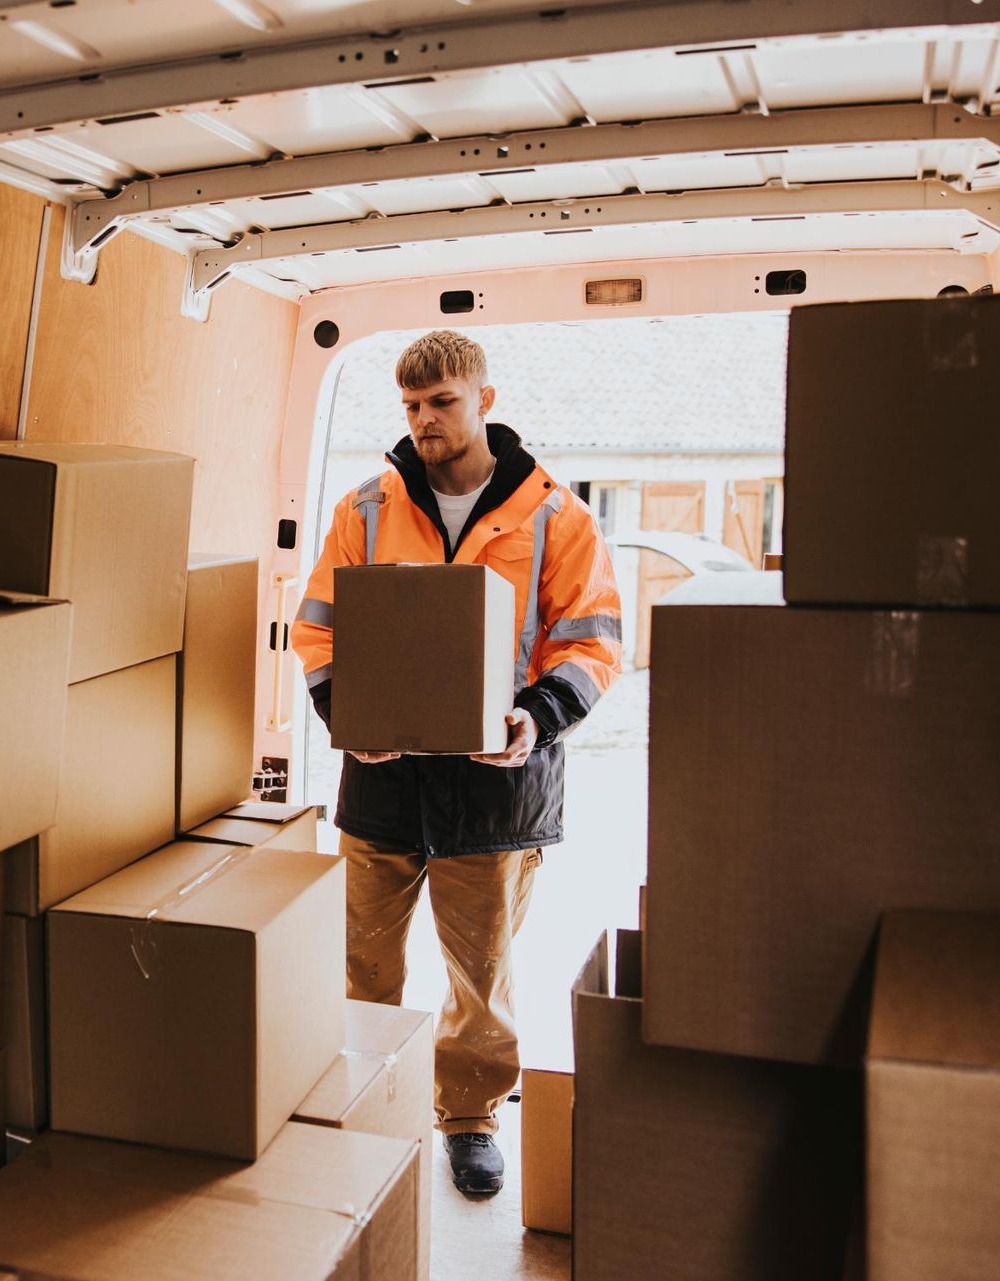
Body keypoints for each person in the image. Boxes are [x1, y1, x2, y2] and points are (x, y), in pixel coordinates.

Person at [291, 329, 623, 1195]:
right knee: (363, 959)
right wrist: (343, 713)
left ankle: (470, 1117)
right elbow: (320, 626)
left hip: (499, 784)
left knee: (481, 973)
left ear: (485, 399)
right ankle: (362, 1093)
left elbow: (593, 646)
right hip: (384, 777)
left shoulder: (558, 516)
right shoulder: (365, 507)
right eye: (411, 406)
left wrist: (536, 719)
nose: (425, 420)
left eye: (442, 402)